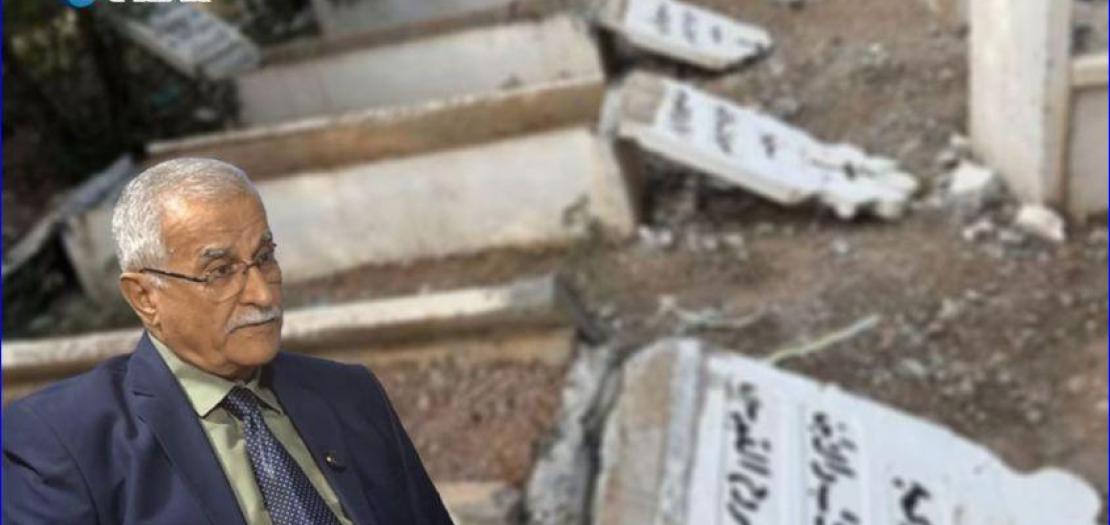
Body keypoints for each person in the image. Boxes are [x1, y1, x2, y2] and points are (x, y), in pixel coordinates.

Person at [3, 158, 453, 524]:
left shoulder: (351, 395)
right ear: (145, 297)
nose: (262, 294)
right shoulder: (62, 446)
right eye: (219, 272)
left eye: (264, 257)